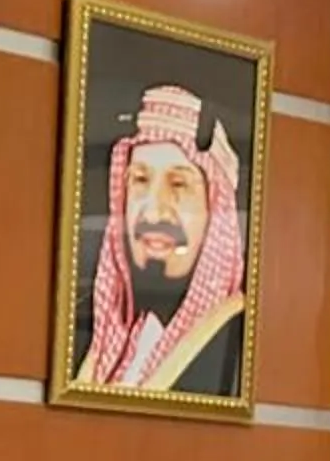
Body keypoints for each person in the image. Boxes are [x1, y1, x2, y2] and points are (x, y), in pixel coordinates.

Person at [79, 83, 247, 396]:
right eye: (140, 180)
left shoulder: (233, 338)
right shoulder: (105, 337)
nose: (154, 212)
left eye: (179, 184)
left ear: (215, 209)